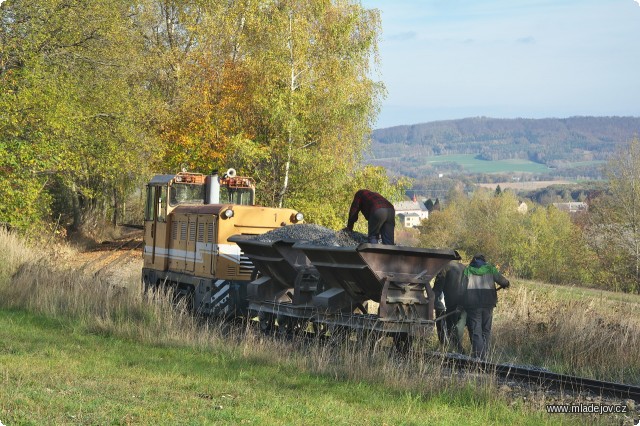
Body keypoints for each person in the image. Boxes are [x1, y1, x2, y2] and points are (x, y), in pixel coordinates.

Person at [462, 254, 510, 360]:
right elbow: (503, 281)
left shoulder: (467, 270)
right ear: (484, 260)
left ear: (472, 261)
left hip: (473, 304)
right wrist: (506, 284)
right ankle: (485, 357)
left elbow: (462, 287)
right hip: (488, 303)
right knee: (486, 330)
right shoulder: (490, 269)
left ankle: (479, 357)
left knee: (476, 331)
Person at [432, 261, 466, 353]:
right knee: (457, 325)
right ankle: (457, 349)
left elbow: (438, 288)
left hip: (447, 302)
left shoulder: (444, 268)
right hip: (462, 302)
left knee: (445, 324)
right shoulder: (464, 267)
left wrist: (432, 301)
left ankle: (446, 347)